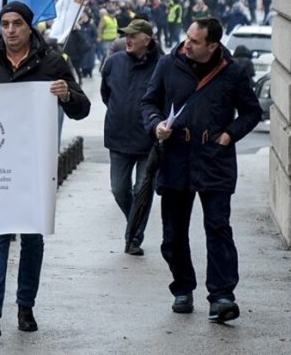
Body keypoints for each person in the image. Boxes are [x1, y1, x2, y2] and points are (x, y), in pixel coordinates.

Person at [0, 2, 90, 338]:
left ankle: (25, 306)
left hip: (35, 165)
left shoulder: (52, 62)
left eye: (17, 23)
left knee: (32, 238)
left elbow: (83, 108)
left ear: (29, 27)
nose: (10, 30)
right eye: (5, 24)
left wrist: (67, 94)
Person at [140, 17, 261, 323]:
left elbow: (252, 112)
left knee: (218, 228)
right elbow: (148, 102)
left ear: (213, 45)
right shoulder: (169, 65)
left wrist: (229, 134)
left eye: (194, 41)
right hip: (176, 158)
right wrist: (157, 125)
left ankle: (222, 296)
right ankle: (183, 287)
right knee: (173, 234)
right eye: (187, 38)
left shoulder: (233, 72)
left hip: (215, 159)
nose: (186, 45)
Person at [100, 19, 161, 257]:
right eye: (126, 35)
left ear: (146, 39)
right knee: (119, 189)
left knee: (142, 191)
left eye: (133, 36)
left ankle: (133, 237)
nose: (127, 39)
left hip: (148, 141)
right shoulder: (114, 63)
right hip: (119, 137)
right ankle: (133, 221)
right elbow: (106, 94)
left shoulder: (162, 65)